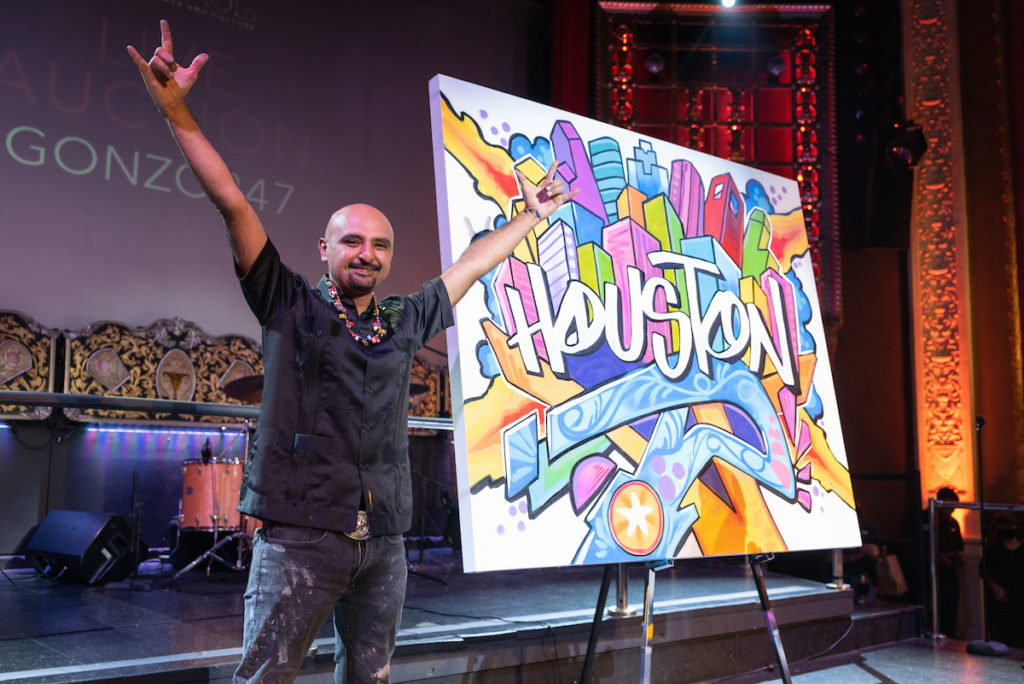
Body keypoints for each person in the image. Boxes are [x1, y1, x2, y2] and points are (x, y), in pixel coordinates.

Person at [128, 20, 577, 684]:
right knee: (266, 678)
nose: (367, 254)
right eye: (352, 242)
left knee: (369, 677)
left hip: (385, 543)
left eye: (380, 245)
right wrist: (174, 110)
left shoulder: (403, 318)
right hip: (300, 538)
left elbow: (473, 266)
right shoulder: (289, 303)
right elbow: (231, 204)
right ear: (325, 250)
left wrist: (530, 215)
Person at [981, 511, 1024, 647]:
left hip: (1021, 597)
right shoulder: (993, 549)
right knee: (1003, 635)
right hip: (1002, 599)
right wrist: (994, 587)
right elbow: (983, 570)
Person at [933, 486, 964, 638]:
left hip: (950, 575)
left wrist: (959, 557)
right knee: (933, 611)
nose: (951, 511)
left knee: (950, 611)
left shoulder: (954, 524)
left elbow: (959, 546)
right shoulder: (927, 519)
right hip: (931, 575)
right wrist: (937, 558)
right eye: (949, 507)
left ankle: (950, 639)